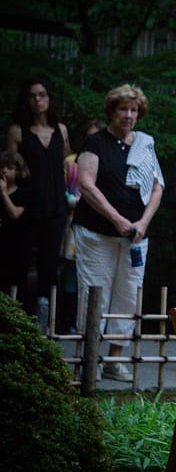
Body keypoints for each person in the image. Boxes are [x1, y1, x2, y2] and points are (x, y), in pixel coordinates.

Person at [73, 84, 164, 381]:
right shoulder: (96, 143)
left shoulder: (145, 143)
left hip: (136, 236)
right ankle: (90, 358)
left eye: (134, 110)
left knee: (128, 295)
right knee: (95, 290)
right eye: (123, 109)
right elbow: (86, 184)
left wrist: (142, 223)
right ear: (111, 111)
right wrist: (117, 219)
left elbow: (157, 187)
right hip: (98, 232)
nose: (128, 115)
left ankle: (115, 359)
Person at [6, 79, 71, 323]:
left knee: (50, 264)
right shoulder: (17, 131)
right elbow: (9, 167)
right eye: (32, 95)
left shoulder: (61, 130)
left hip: (55, 206)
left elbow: (68, 165)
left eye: (42, 94)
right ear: (26, 100)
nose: (37, 99)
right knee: (19, 262)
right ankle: (20, 320)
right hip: (26, 205)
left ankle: (48, 321)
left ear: (49, 98)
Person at [59, 119, 105, 334]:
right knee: (71, 271)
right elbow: (60, 188)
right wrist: (72, 200)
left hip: (101, 223)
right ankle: (66, 320)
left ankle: (90, 323)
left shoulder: (109, 160)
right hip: (73, 222)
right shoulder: (71, 162)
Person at [0, 151, 32, 303]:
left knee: (17, 282)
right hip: (2, 242)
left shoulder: (24, 193)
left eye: (9, 167)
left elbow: (14, 213)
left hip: (18, 244)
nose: (4, 170)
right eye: (2, 167)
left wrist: (4, 192)